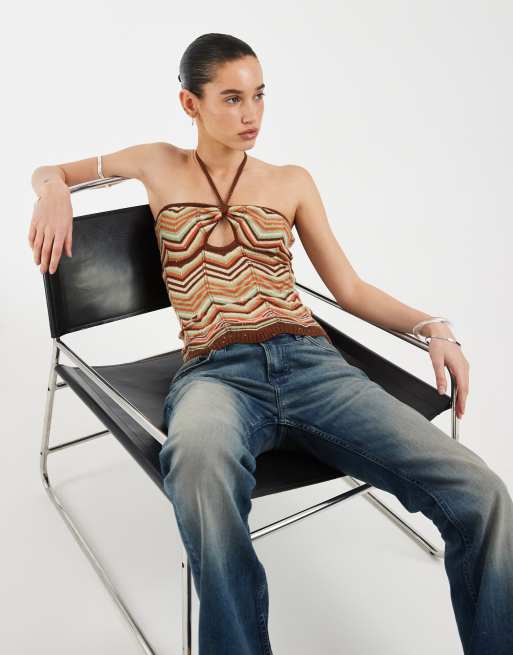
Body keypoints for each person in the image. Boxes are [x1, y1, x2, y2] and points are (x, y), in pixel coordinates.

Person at [29, 32, 513, 655]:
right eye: (231, 98)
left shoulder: (290, 182)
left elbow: (350, 288)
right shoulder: (158, 163)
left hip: (315, 367)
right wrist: (53, 191)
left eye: (259, 95)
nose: (251, 113)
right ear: (190, 103)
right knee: (197, 467)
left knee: (481, 492)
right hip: (214, 374)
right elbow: (50, 170)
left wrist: (434, 329)